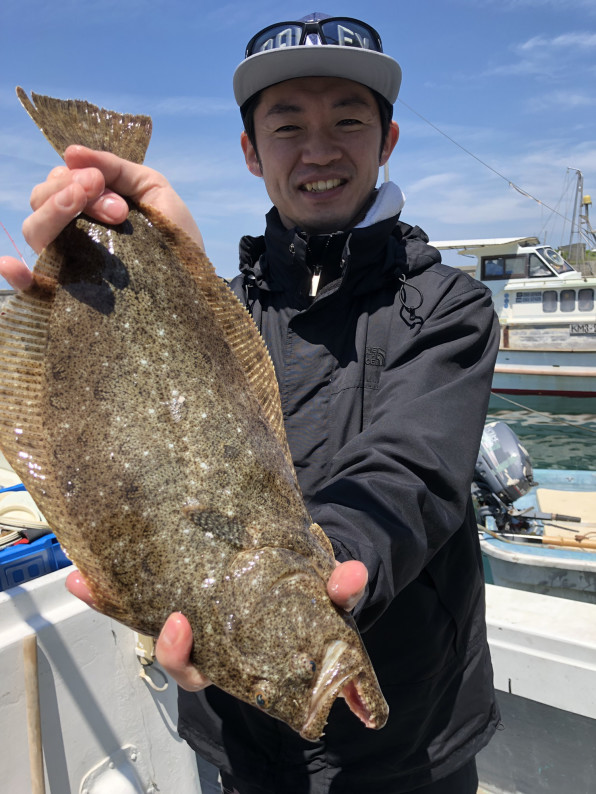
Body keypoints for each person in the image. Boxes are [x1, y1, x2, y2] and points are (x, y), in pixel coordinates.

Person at [0, 13, 501, 793]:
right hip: (238, 748)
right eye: (288, 125)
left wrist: (328, 565)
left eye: (347, 120)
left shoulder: (448, 308)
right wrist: (144, 252)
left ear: (388, 140)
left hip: (413, 748)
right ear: (250, 151)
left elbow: (413, 470)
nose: (320, 148)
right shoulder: (225, 310)